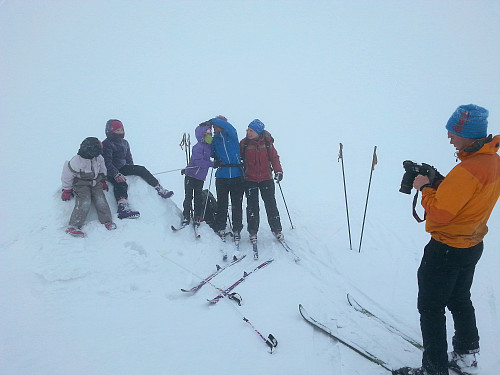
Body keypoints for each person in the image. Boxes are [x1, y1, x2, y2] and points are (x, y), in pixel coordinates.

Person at [393, 105, 500, 375]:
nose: (450, 138)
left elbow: (440, 213)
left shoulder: (467, 170)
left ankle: (434, 368)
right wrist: (441, 182)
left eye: (453, 132)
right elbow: (468, 198)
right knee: (460, 298)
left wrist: (425, 187)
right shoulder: (492, 162)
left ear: (467, 133)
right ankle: (466, 354)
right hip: (472, 244)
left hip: (447, 248)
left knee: (430, 307)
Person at [102, 119, 174, 220]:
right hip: (110, 171)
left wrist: (132, 170)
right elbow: (106, 162)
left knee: (141, 169)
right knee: (121, 183)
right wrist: (115, 174)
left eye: (121, 130)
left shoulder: (124, 143)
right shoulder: (107, 144)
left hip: (123, 167)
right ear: (110, 131)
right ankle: (122, 207)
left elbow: (128, 158)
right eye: (117, 130)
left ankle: (159, 188)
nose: (120, 132)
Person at [61, 137, 116, 237]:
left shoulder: (99, 158)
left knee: (100, 199)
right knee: (84, 201)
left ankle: (107, 221)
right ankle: (73, 226)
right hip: (81, 183)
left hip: (96, 181)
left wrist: (103, 180)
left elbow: (102, 169)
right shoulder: (77, 161)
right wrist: (67, 190)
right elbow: (67, 175)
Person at [240, 119, 284, 245]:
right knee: (252, 207)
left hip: (266, 178)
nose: (248, 132)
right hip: (250, 179)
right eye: (248, 130)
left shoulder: (267, 143)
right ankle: (253, 231)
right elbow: (238, 158)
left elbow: (274, 158)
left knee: (271, 205)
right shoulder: (244, 144)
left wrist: (278, 171)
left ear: (258, 132)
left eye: (251, 130)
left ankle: (277, 229)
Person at [210, 115, 244, 241]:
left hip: (236, 174)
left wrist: (213, 120)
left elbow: (230, 127)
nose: (214, 128)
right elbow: (211, 152)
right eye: (213, 126)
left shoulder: (232, 136)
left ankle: (237, 228)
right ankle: (220, 226)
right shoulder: (215, 139)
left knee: (236, 203)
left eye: (215, 126)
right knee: (222, 203)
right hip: (221, 176)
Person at [181, 121, 215, 226]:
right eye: (207, 133)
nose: (209, 135)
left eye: (210, 133)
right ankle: (186, 215)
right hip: (191, 175)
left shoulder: (209, 147)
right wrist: (212, 164)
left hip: (200, 177)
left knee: (198, 196)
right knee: (188, 196)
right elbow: (198, 162)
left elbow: (213, 155)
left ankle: (197, 215)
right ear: (202, 134)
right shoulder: (198, 147)